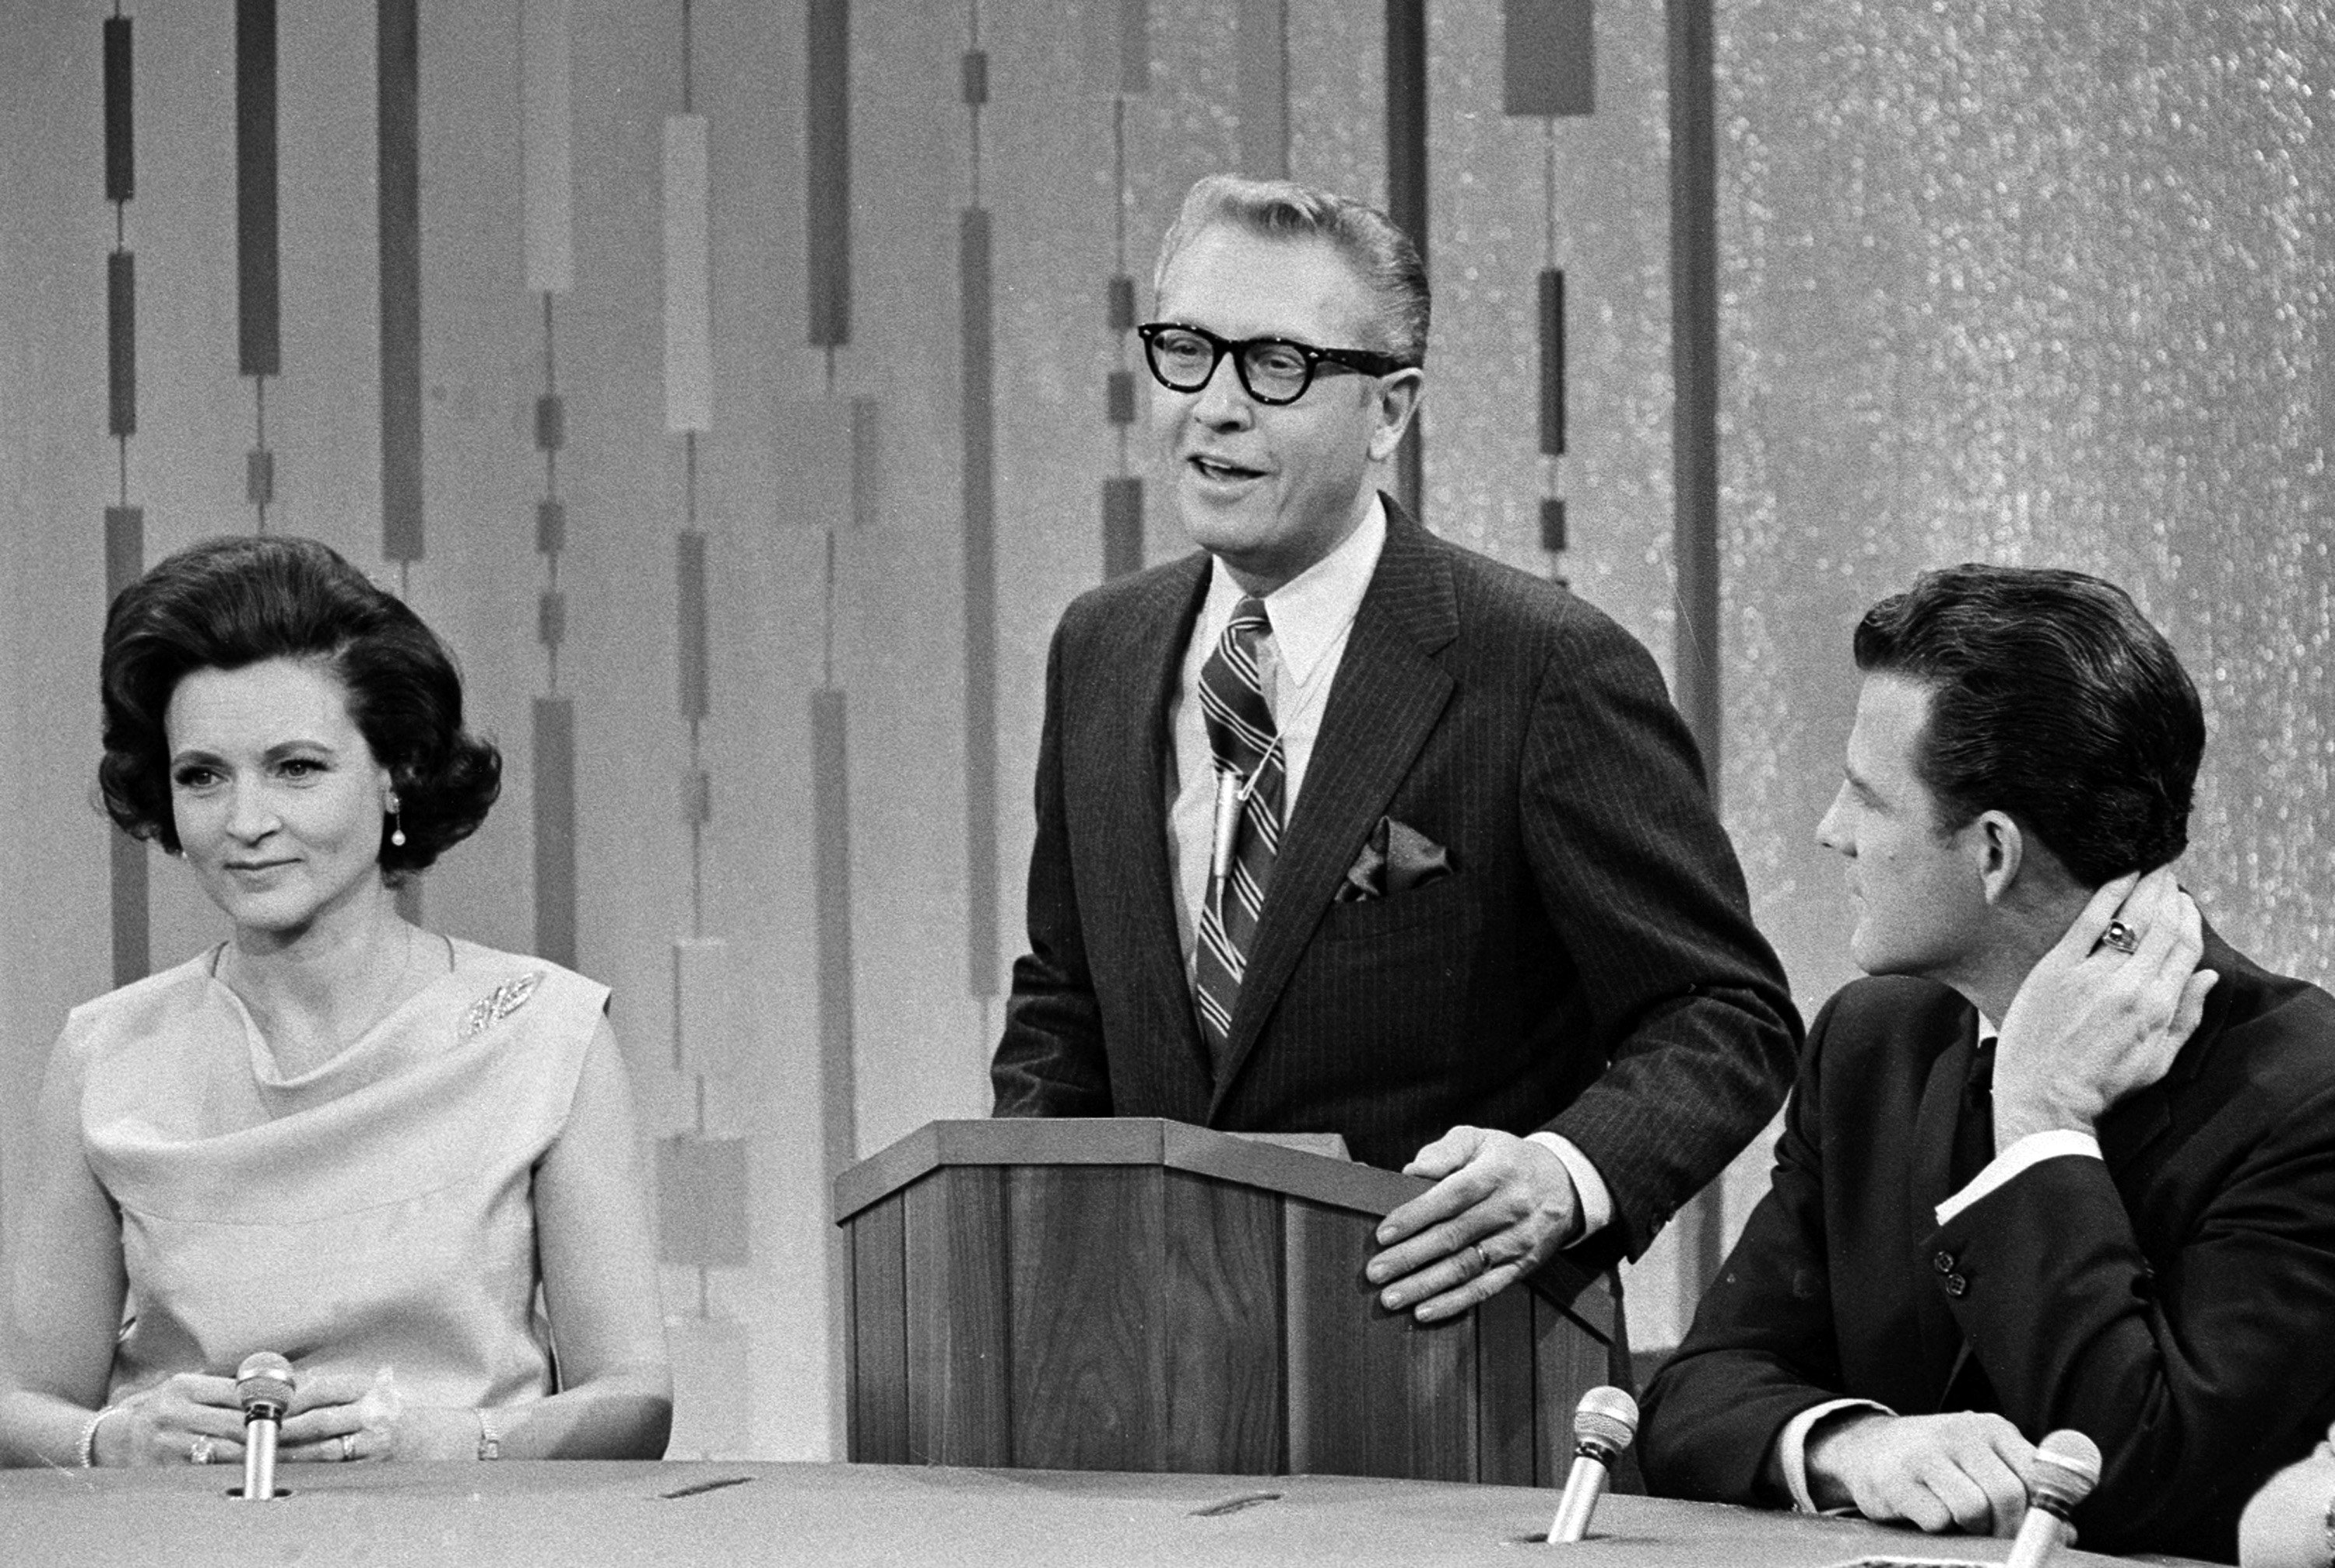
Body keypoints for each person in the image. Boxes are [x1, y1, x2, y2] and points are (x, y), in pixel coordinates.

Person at [990, 173, 1800, 1317]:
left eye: (1277, 366)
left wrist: (1564, 1177)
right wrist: (1027, 1240)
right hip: (1145, 1376)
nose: (1215, 405)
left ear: (1391, 409)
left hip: (1440, 1363)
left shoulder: (1542, 667)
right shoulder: (1100, 649)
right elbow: (1067, 1002)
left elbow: (1724, 1014)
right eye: (1186, 350)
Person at [1637, 564, 2335, 1562]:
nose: (1830, 831)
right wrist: (1855, 1444)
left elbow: (2153, 1481)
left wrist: (2040, 1122)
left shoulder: (2306, 1091)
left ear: (1994, 851)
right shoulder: (1871, 1041)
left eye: (1867, 797)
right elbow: (1698, 1392)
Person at [0, 535, 671, 1469]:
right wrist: (108, 1438)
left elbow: (635, 1397)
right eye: (203, 775)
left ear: (395, 769)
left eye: (297, 766)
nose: (244, 821)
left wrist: (462, 1439)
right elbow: (23, 1404)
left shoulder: (545, 1028)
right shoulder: (101, 1051)